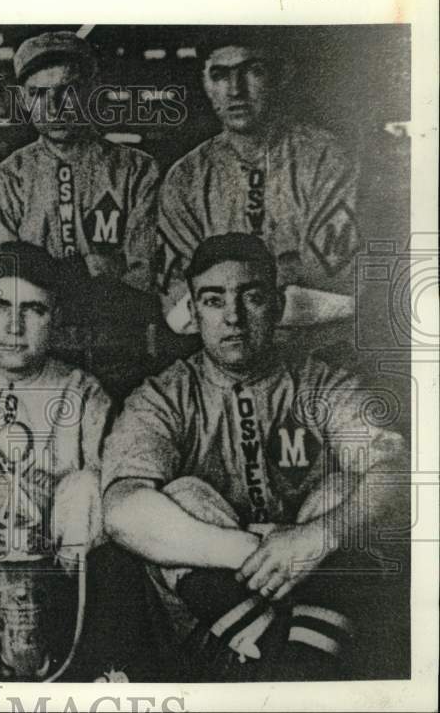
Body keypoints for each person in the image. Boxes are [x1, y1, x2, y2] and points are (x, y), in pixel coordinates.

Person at [101, 234, 408, 681]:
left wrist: (318, 536)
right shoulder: (164, 395)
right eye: (213, 300)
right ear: (193, 310)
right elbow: (120, 509)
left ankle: (301, 660)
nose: (234, 317)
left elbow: (397, 469)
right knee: (182, 495)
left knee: (346, 488)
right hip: (212, 621)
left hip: (318, 593)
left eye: (253, 297)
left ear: (279, 306)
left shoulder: (318, 382)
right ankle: (270, 653)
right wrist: (256, 551)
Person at [0, 242, 155, 681]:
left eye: (33, 309)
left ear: (55, 316)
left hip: (58, 573)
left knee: (86, 486)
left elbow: (105, 507)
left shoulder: (83, 392)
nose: (14, 326)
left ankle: (89, 672)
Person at [0, 30, 164, 395]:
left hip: (120, 355)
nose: (55, 105)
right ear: (23, 100)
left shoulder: (137, 171)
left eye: (68, 90)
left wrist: (47, 278)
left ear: (92, 90)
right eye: (38, 94)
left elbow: (146, 280)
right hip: (36, 361)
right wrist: (98, 268)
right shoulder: (5, 180)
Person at [156, 29, 360, 360]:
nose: (235, 89)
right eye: (220, 75)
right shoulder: (185, 178)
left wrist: (222, 292)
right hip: (224, 370)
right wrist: (287, 273)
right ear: (206, 85)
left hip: (319, 360)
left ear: (281, 76)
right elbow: (179, 314)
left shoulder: (326, 158)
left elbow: (342, 294)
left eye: (253, 71)